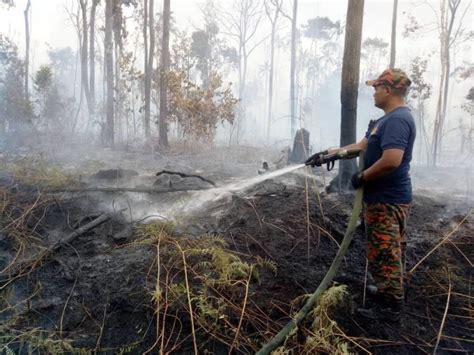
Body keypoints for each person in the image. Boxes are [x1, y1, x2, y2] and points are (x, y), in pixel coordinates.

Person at [306, 68, 416, 321]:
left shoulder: (398, 120)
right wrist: (327, 154)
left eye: (376, 88)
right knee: (384, 248)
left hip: (387, 199)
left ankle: (390, 308)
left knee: (385, 252)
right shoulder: (385, 120)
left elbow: (392, 160)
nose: (374, 93)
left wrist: (362, 177)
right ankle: (389, 289)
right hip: (381, 198)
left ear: (388, 90)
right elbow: (359, 147)